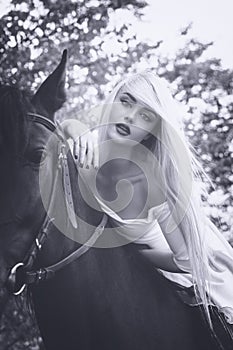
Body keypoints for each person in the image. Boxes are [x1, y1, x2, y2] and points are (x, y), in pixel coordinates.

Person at [60, 71, 233, 342]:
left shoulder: (154, 183)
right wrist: (73, 126)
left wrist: (138, 255)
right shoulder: (83, 147)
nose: (130, 116)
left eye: (146, 115)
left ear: (153, 130)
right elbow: (55, 127)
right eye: (126, 102)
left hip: (179, 271)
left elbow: (186, 261)